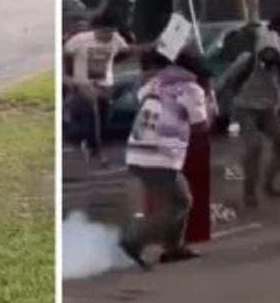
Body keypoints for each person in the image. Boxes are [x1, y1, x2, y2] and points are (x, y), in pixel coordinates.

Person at [120, 50, 209, 269]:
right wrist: (209, 105)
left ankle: (173, 248)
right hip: (161, 154)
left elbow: (141, 100)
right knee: (178, 204)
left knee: (180, 199)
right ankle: (134, 240)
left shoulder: (155, 83)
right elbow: (200, 126)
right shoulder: (191, 89)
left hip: (138, 149)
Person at [217, 33, 280, 208]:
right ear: (259, 50)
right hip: (244, 108)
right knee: (254, 146)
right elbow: (225, 78)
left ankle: (269, 182)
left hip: (267, 109)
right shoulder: (247, 60)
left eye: (272, 52)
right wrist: (214, 96)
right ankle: (249, 192)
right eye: (265, 51)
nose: (268, 56)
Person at [63, 14, 131, 166]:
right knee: (92, 112)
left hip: (104, 83)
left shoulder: (116, 39)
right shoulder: (80, 40)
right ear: (96, 30)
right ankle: (95, 149)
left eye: (111, 32)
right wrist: (70, 75)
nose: (108, 36)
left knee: (103, 114)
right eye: (105, 32)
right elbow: (66, 54)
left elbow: (126, 51)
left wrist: (112, 61)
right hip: (84, 82)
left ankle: (90, 143)